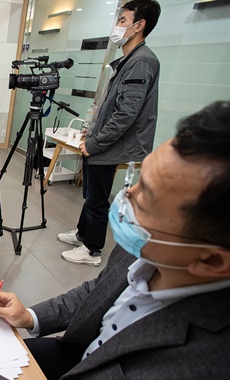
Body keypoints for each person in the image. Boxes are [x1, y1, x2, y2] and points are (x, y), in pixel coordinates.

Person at [0, 100, 230, 380]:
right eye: (137, 182)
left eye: (146, 200)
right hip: (79, 355)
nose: (126, 198)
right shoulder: (151, 247)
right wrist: (30, 316)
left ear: (211, 260)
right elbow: (98, 291)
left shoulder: (206, 373)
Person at [58, 0, 161, 266]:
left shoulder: (141, 61)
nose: (118, 26)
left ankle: (92, 250)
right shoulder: (129, 60)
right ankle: (83, 234)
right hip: (103, 142)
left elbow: (126, 114)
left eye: (123, 20)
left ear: (139, 26)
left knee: (97, 199)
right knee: (92, 193)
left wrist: (95, 143)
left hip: (112, 145)